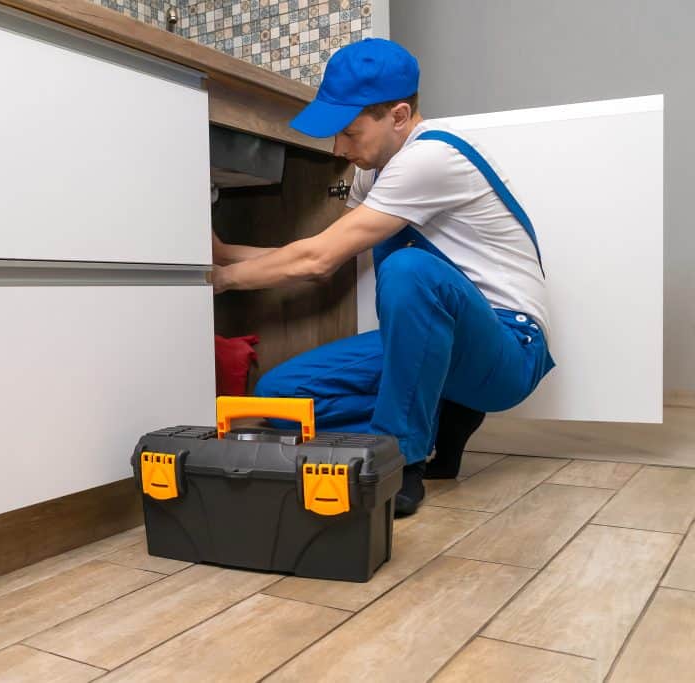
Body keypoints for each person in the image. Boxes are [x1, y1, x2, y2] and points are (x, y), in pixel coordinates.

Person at [210, 38, 555, 516]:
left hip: (507, 346)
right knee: (279, 396)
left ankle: (402, 458)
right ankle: (437, 417)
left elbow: (316, 259)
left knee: (409, 269)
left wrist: (224, 280)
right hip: (437, 341)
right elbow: (321, 256)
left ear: (397, 116)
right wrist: (226, 254)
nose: (339, 148)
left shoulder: (431, 157)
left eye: (350, 134)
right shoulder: (372, 171)